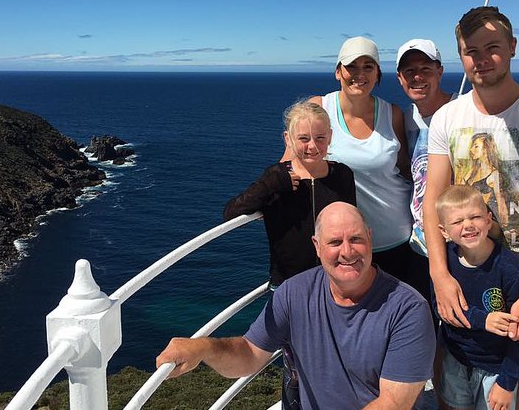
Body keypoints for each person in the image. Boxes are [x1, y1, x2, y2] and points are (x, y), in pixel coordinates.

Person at [156, 202, 436, 410]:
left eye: (356, 239)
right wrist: (203, 348)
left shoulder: (408, 309)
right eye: (335, 242)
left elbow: (393, 404)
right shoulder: (295, 292)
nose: (347, 252)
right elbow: (250, 354)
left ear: (370, 239)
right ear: (316, 246)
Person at [423, 6, 519, 409]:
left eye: (492, 47)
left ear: (512, 48)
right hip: (464, 263)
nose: (481, 59)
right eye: (470, 50)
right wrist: (440, 274)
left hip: (515, 271)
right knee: (456, 354)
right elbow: (433, 201)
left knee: (515, 369)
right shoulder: (447, 117)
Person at [284, 36, 416, 289]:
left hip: (396, 237)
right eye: (351, 66)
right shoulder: (320, 108)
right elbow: (289, 165)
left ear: (378, 74)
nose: (359, 74)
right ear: (337, 72)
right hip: (344, 246)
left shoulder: (392, 113)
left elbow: (406, 171)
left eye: (368, 67)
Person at [224, 100, 356, 288]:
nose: (313, 146)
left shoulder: (342, 175)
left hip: (334, 280)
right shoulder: (275, 177)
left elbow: (351, 223)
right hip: (287, 283)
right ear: (288, 139)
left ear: (330, 137)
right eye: (304, 138)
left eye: (320, 138)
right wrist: (272, 185)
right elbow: (231, 212)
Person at [433, 185, 519, 410]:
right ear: (444, 230)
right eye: (458, 222)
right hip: (456, 359)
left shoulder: (511, 268)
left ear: (488, 221)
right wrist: (483, 320)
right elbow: (439, 307)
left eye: (475, 217)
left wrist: (507, 383)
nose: (468, 225)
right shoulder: (443, 264)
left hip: (496, 369)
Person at [396, 38, 455, 301]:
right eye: (409, 71)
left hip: (458, 242)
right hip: (419, 245)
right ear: (399, 78)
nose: (417, 77)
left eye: (425, 69)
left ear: (440, 71)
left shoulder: (461, 111)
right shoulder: (405, 118)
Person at [463, 133, 509, 227]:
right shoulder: (472, 171)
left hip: (487, 223)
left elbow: (501, 202)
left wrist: (504, 226)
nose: (471, 150)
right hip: (468, 221)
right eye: (472, 146)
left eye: (476, 146)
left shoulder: (494, 175)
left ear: (486, 149)